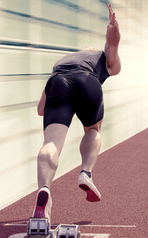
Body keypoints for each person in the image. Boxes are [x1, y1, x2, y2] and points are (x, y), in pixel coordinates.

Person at [31, 3, 121, 223]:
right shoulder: (100, 57)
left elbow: (41, 109)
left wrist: (62, 109)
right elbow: (112, 43)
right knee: (93, 129)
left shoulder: (61, 62)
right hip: (87, 81)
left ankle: (44, 188)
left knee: (50, 143)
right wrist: (113, 26)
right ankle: (86, 172)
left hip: (57, 83)